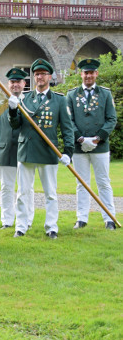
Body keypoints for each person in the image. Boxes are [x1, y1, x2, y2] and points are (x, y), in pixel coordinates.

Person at [8, 59, 74, 239]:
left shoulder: (59, 100)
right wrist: (13, 110)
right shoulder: (25, 98)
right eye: (36, 74)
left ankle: (51, 226)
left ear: (49, 77)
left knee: (51, 193)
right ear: (33, 77)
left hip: (48, 150)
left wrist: (68, 151)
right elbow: (16, 126)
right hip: (27, 149)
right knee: (22, 192)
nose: (40, 77)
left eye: (43, 74)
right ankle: (21, 226)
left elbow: (67, 128)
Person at [66, 59, 118, 230]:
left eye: (91, 72)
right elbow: (68, 120)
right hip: (79, 147)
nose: (88, 75)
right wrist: (80, 138)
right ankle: (81, 218)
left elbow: (111, 119)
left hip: (100, 146)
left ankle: (109, 218)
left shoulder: (105, 94)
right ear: (81, 74)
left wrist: (98, 138)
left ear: (96, 74)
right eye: (85, 72)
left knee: (103, 182)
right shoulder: (72, 95)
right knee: (82, 183)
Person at [0, 68, 35, 229]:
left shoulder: (30, 101)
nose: (15, 85)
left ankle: (27, 220)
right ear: (8, 84)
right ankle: (7, 220)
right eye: (12, 82)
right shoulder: (1, 103)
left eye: (18, 82)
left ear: (24, 83)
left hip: (26, 151)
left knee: (26, 188)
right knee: (6, 188)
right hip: (6, 151)